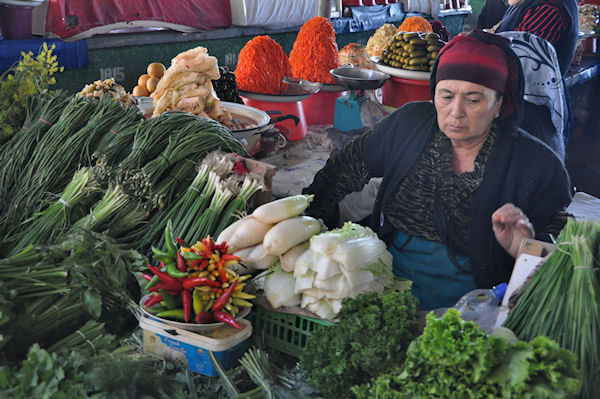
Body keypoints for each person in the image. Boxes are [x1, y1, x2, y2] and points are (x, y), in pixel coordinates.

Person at [303, 30, 572, 310]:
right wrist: (306, 224)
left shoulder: (535, 165)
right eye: (446, 96)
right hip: (386, 292)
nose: (456, 112)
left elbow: (558, 261)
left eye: (473, 100)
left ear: (499, 104)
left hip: (474, 313)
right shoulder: (408, 125)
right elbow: (342, 170)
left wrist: (523, 249)